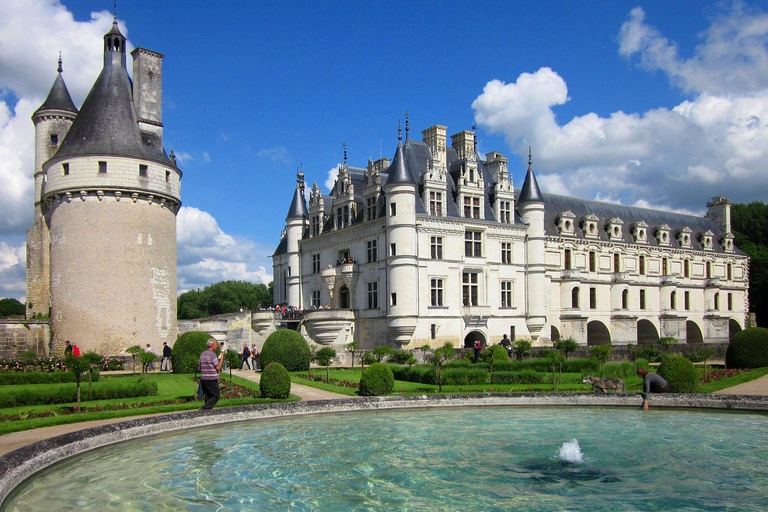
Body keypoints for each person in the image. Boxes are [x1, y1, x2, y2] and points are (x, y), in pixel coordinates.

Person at [199, 338, 224, 410]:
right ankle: (204, 408)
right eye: (216, 344)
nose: (216, 346)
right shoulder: (212, 355)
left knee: (208, 396)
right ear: (212, 345)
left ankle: (207, 411)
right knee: (216, 396)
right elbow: (218, 368)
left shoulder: (202, 354)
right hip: (211, 378)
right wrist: (221, 359)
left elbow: (200, 368)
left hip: (204, 378)